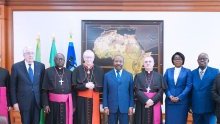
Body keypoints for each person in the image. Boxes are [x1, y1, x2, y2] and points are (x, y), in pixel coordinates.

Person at [10, 46, 45, 124]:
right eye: (28, 53)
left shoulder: (41, 66)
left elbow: (43, 86)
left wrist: (44, 102)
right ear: (24, 55)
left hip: (37, 102)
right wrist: (14, 103)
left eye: (32, 53)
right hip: (23, 102)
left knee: (36, 122)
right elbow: (12, 87)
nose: (30, 55)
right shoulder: (16, 67)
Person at [72, 50, 103, 124]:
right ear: (83, 58)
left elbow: (102, 87)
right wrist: (85, 85)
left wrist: (95, 86)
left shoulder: (99, 70)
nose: (89, 59)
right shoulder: (77, 70)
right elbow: (74, 86)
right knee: (81, 119)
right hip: (81, 100)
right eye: (87, 57)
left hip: (94, 99)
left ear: (94, 58)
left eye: (90, 57)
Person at [42, 53, 73, 124]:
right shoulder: (48, 71)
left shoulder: (69, 72)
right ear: (54, 60)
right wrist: (46, 104)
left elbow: (73, 90)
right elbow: (44, 90)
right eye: (57, 59)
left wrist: (73, 105)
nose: (59, 61)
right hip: (52, 104)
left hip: (66, 104)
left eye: (61, 59)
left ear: (64, 61)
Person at [134, 55, 166, 124]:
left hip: (155, 102)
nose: (148, 63)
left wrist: (152, 100)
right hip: (142, 103)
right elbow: (136, 90)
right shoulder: (138, 76)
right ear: (143, 64)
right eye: (146, 62)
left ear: (153, 63)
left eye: (150, 61)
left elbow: (161, 90)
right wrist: (146, 100)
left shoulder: (159, 76)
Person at [103, 55, 134, 124]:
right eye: (116, 61)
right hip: (111, 107)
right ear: (113, 62)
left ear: (123, 63)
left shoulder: (129, 75)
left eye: (120, 61)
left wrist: (131, 106)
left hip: (125, 107)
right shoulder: (107, 75)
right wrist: (105, 106)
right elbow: (105, 92)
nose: (118, 63)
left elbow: (131, 93)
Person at [164, 52, 192, 124]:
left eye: (179, 59)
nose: (177, 60)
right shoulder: (168, 71)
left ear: (183, 60)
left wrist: (179, 97)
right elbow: (164, 85)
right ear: (172, 61)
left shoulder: (187, 71)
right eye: (175, 59)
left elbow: (188, 86)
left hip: (182, 102)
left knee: (181, 121)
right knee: (170, 121)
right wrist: (170, 96)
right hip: (170, 102)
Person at [191, 53, 219, 124]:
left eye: (205, 58)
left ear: (208, 60)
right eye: (200, 59)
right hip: (196, 107)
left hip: (210, 107)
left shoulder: (215, 71)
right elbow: (190, 90)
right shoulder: (192, 73)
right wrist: (189, 105)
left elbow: (217, 89)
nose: (202, 60)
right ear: (197, 61)